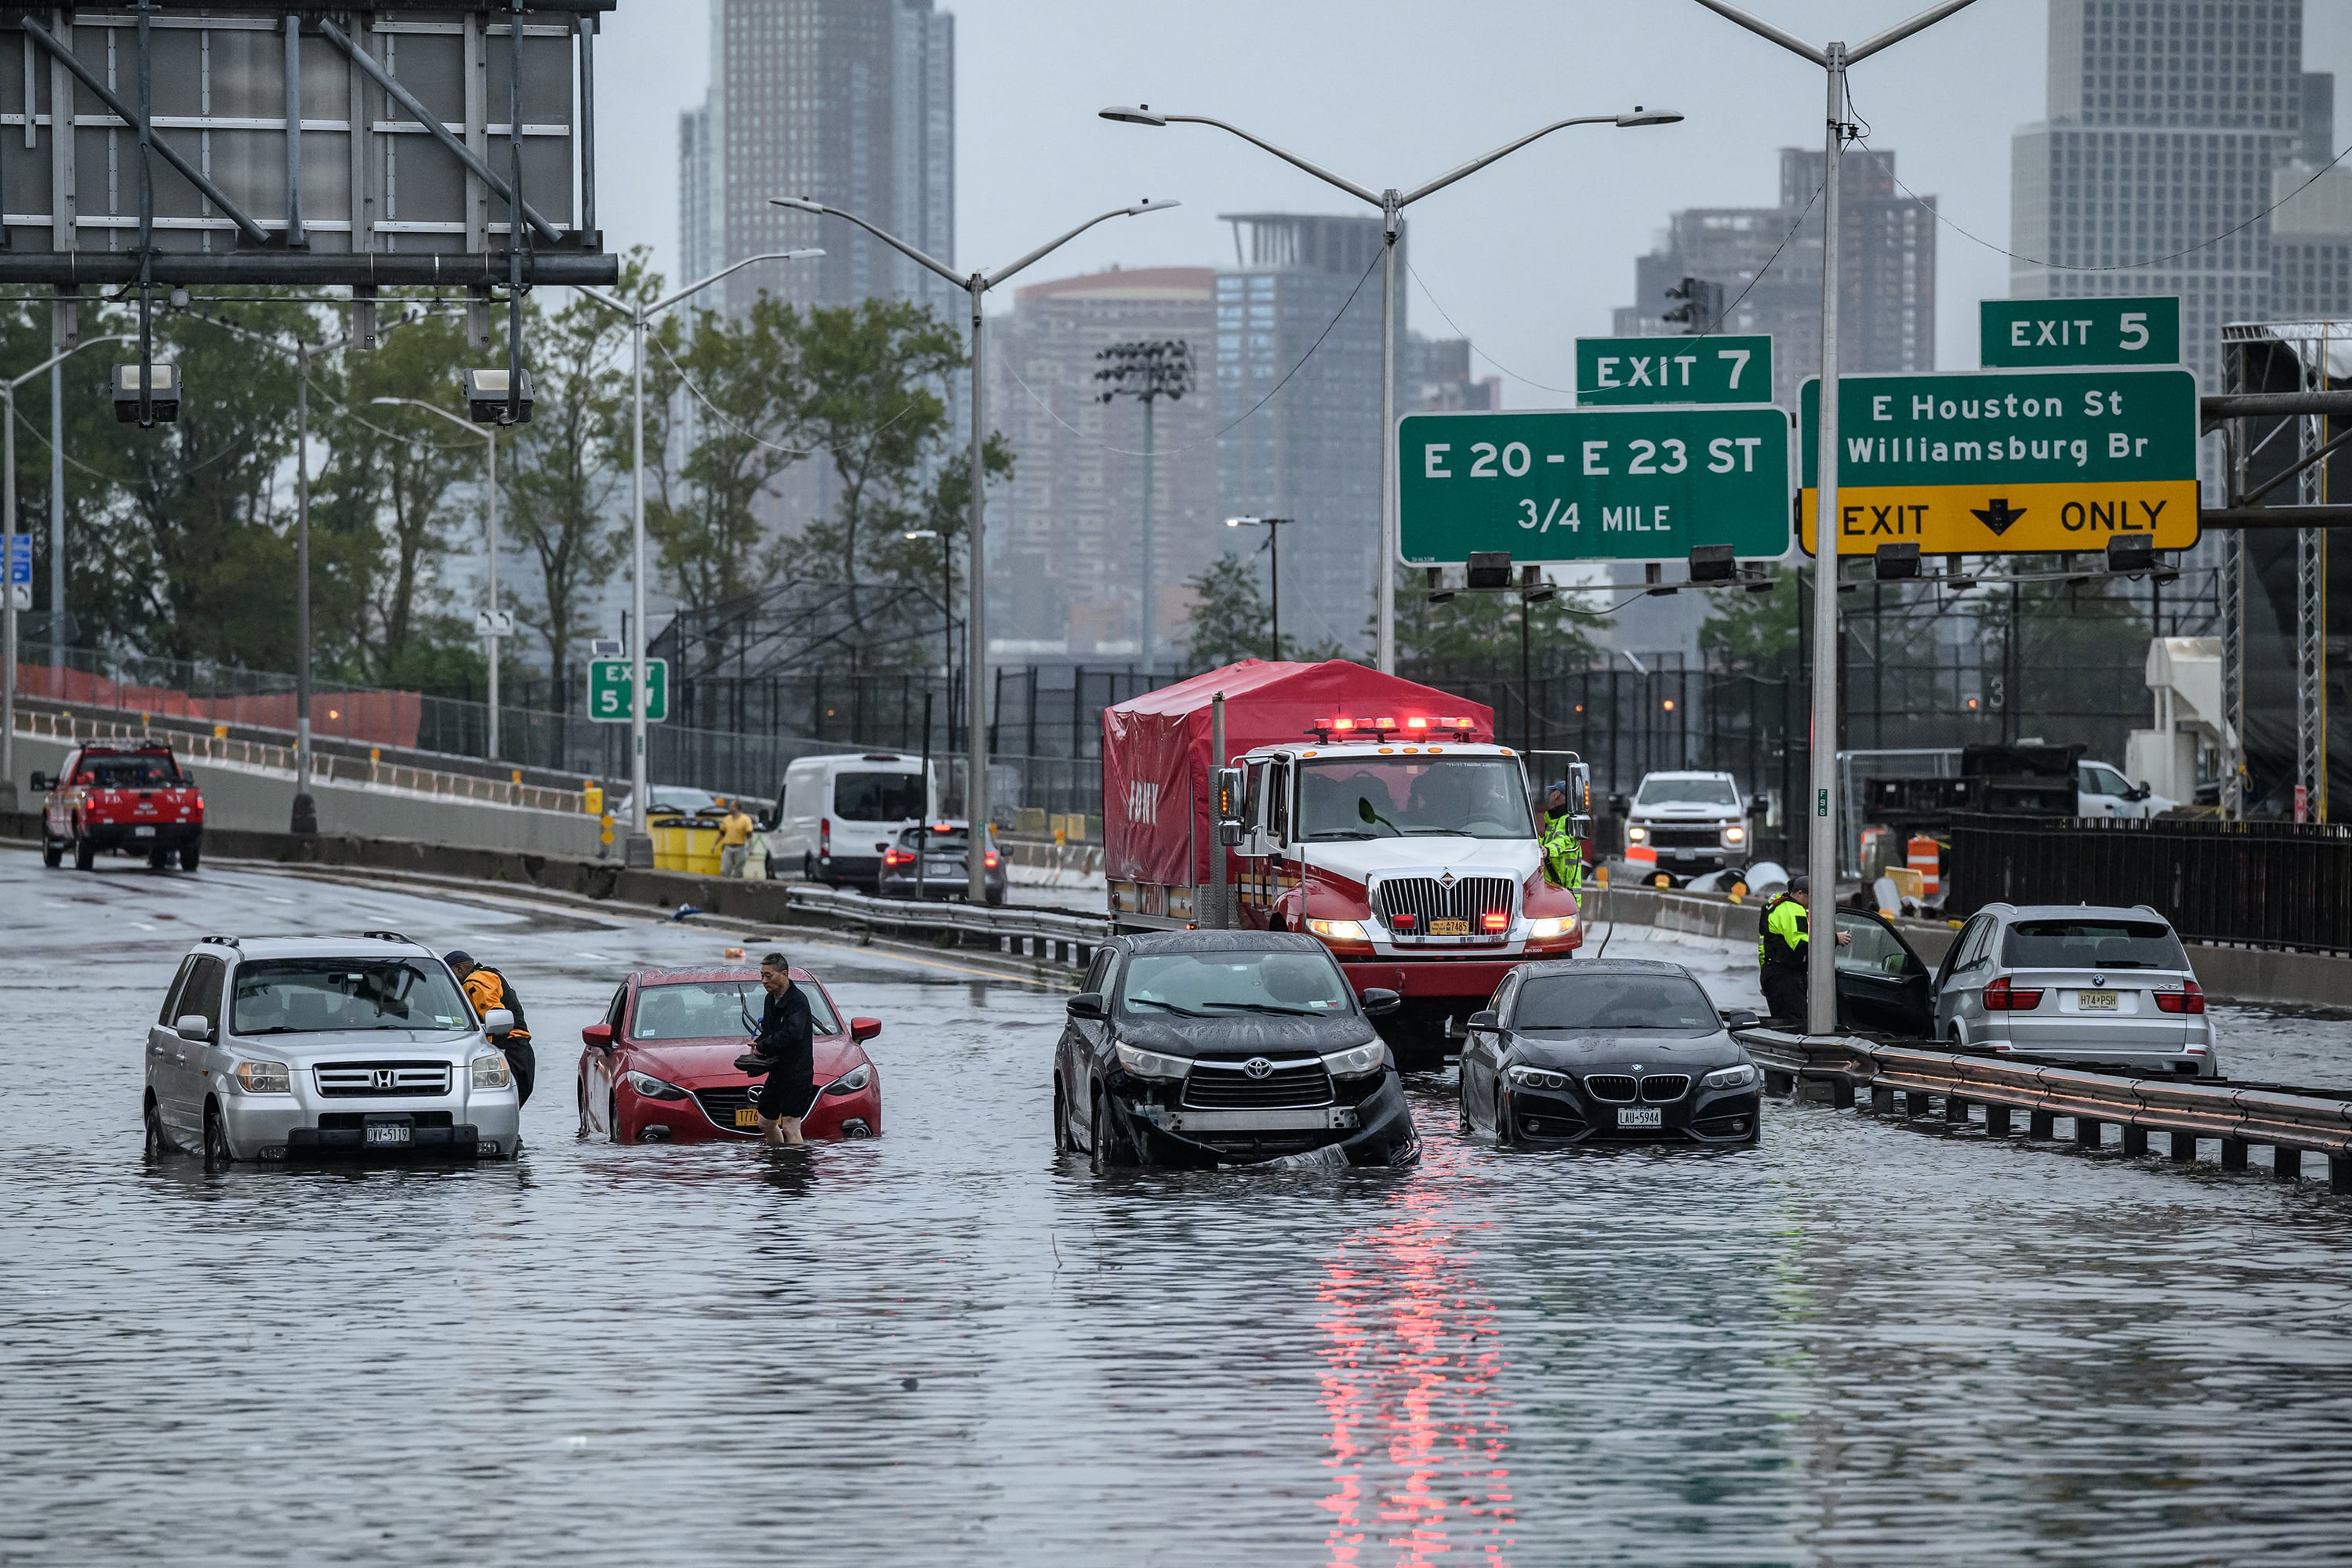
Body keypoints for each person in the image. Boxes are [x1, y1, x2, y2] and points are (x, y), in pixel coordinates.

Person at [1755, 875, 1850, 1025]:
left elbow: (1764, 947)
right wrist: (1834, 939)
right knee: (1797, 1024)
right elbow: (1802, 945)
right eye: (1811, 897)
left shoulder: (1776, 907)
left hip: (1772, 973)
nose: (1813, 902)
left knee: (1781, 1023)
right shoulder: (1795, 911)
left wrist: (1766, 979)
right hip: (1787, 978)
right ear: (1800, 893)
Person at [445, 949, 534, 1105]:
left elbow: (495, 1016)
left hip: (510, 1049)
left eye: (450, 974)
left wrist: (492, 1051)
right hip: (521, 1048)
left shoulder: (474, 983)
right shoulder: (489, 974)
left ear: (459, 968)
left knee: (502, 1103)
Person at [748, 951, 815, 1147]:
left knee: (790, 1126)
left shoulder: (798, 1001)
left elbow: (792, 1034)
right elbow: (769, 1030)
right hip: (778, 1072)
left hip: (797, 1073)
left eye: (768, 976)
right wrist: (758, 1044)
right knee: (765, 1122)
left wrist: (764, 1045)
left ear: (784, 974)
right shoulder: (770, 999)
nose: (764, 981)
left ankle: (794, 1170)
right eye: (762, 976)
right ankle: (777, 1160)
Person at [1539, 781, 1584, 891]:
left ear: (1557, 794)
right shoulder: (1554, 821)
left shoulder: (1568, 820)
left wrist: (1549, 850)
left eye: (1552, 792)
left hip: (1565, 894)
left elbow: (1565, 840)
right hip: (1555, 891)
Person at [718, 799, 757, 879]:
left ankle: (737, 888)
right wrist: (715, 844)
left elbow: (749, 835)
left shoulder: (745, 819)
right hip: (728, 847)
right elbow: (722, 833)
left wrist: (750, 848)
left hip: (740, 848)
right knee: (725, 870)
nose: (730, 808)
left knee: (738, 871)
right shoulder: (727, 819)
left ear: (737, 808)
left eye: (732, 806)